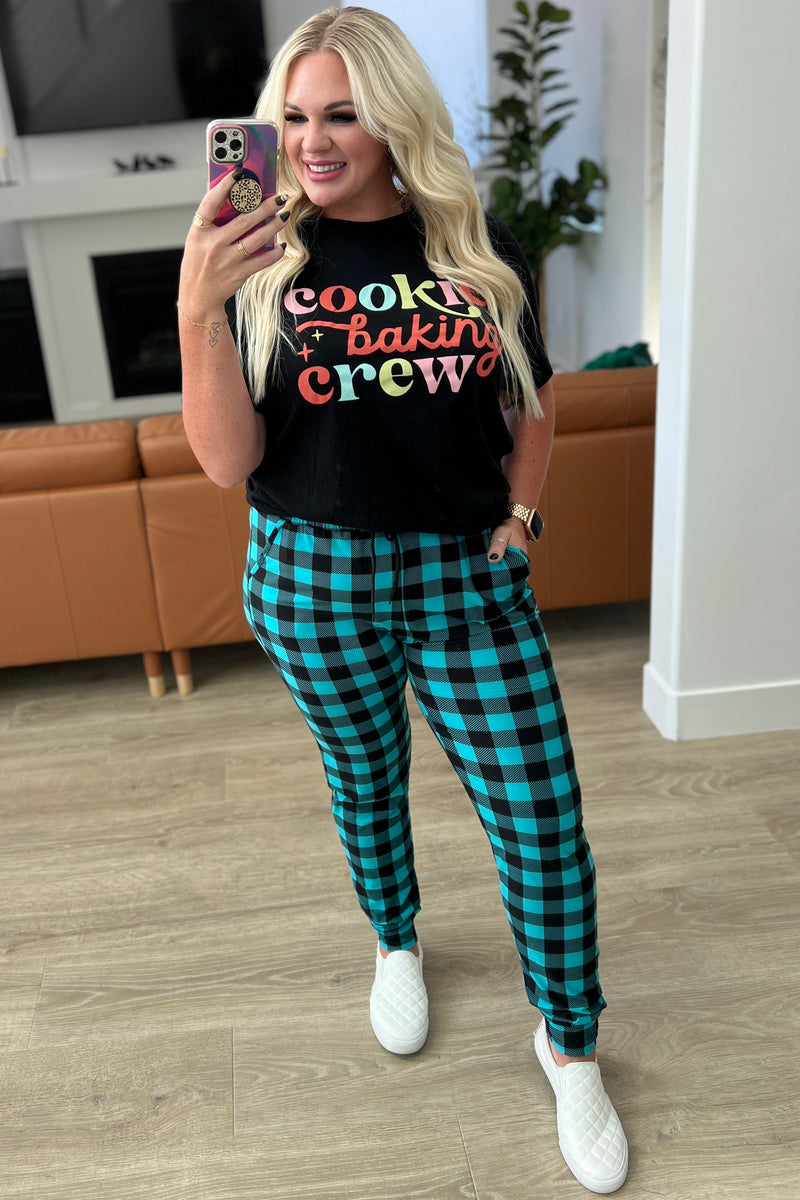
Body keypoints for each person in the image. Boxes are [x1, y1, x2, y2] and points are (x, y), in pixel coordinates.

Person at [177, 7, 628, 1193]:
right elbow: (225, 463)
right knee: (365, 778)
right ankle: (394, 942)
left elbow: (531, 404)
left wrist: (519, 517)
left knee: (540, 819)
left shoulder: (474, 244)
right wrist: (195, 308)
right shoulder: (256, 254)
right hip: (310, 575)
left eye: (341, 114)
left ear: (393, 119)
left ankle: (569, 1044)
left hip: (465, 577)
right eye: (292, 117)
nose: (311, 142)